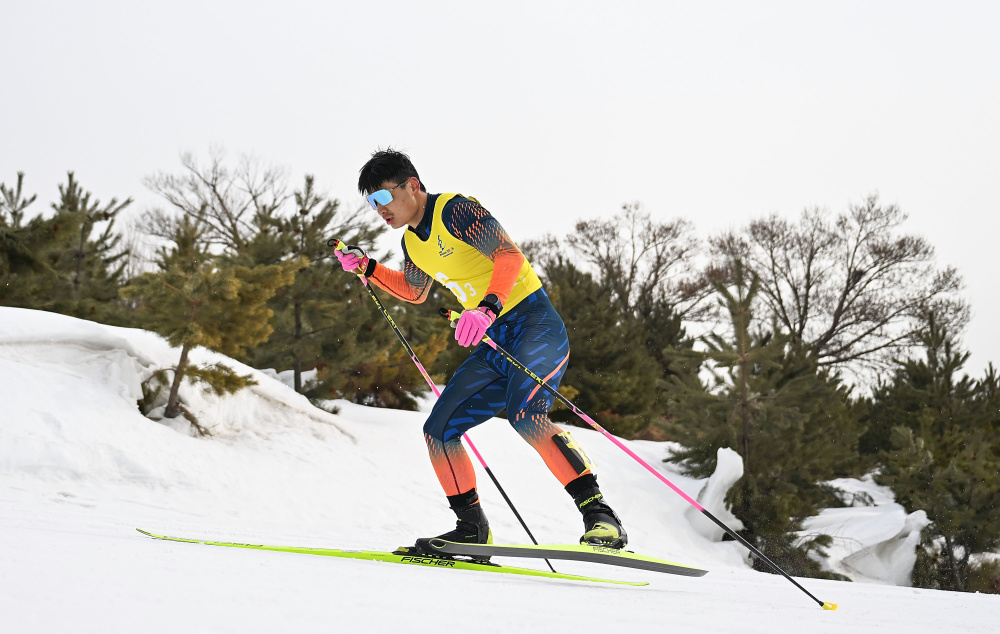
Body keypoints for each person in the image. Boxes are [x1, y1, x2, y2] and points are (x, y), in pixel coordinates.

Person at [336, 149, 627, 552]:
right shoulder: (412, 243)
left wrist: (488, 306)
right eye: (371, 203)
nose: (378, 209)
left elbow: (508, 254)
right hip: (493, 339)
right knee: (438, 430)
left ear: (413, 186)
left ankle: (601, 518)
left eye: (383, 198)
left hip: (532, 323)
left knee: (526, 416)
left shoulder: (455, 211)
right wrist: (368, 267)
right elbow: (414, 291)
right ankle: (471, 528)